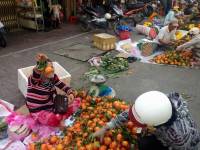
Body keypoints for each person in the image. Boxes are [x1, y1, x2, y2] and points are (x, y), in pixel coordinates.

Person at [92, 91, 200, 150]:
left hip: (182, 146)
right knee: (142, 140)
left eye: (145, 125)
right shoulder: (158, 102)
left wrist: (156, 134)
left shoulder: (178, 136)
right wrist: (106, 127)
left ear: (154, 125)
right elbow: (130, 113)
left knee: (145, 143)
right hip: (162, 132)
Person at [26, 53, 77, 127]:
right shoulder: (34, 80)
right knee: (52, 119)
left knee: (74, 103)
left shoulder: (53, 77)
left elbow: (62, 85)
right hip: (38, 111)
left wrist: (70, 93)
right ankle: (53, 117)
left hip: (49, 106)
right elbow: (36, 72)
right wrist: (41, 63)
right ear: (41, 70)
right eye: (47, 68)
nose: (51, 69)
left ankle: (56, 115)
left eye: (52, 67)